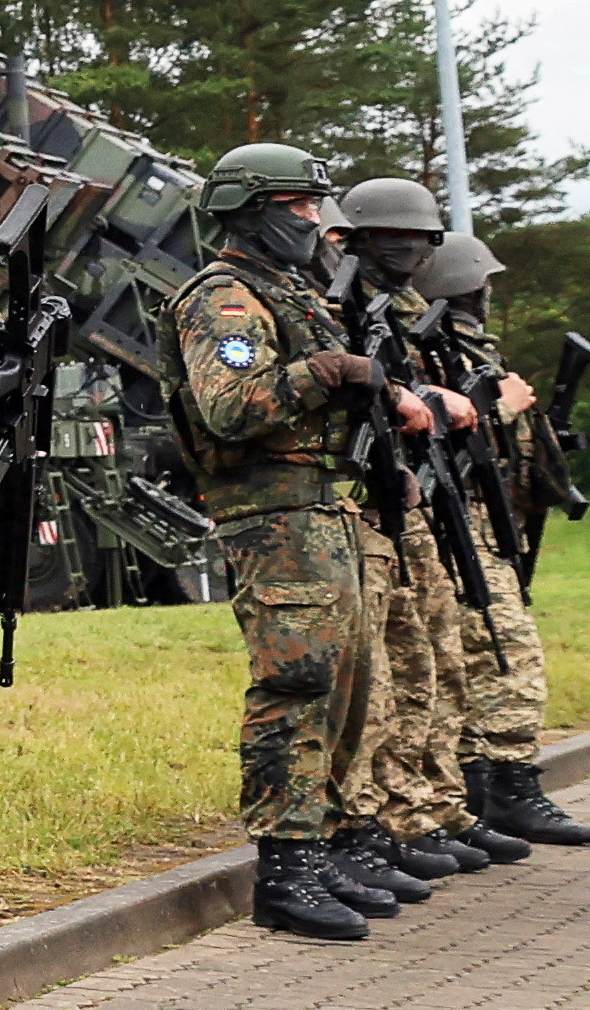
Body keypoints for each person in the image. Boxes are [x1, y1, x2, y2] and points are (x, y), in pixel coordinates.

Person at [163, 145, 410, 945]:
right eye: (298, 205)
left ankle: (326, 839)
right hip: (272, 517)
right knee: (297, 683)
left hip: (321, 509)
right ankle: (287, 865)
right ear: (249, 207)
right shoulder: (224, 298)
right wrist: (329, 371)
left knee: (347, 682)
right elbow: (230, 407)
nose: (314, 220)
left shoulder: (289, 292)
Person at [334, 175, 525, 881]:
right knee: (395, 670)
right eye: (396, 237)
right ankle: (397, 814)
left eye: (420, 239)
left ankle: (432, 804)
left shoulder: (395, 311)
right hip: (363, 506)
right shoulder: (341, 304)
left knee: (432, 659)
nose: (411, 250)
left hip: (407, 501)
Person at [420, 230, 589, 847]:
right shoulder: (436, 353)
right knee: (506, 657)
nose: (487, 295)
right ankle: (508, 788)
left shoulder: (465, 352)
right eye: (480, 285)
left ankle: (486, 788)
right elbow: (443, 439)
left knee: (484, 661)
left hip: (490, 529)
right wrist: (503, 409)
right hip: (461, 529)